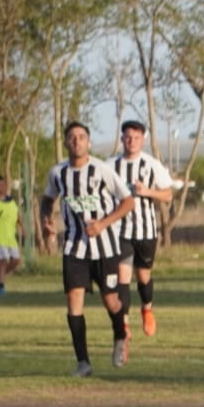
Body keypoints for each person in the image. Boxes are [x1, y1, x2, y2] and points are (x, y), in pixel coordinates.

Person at [40, 121, 135, 376]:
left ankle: (119, 336)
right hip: (74, 247)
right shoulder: (58, 173)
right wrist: (46, 222)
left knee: (111, 301)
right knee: (73, 301)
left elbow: (128, 202)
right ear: (66, 142)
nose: (77, 141)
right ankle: (83, 362)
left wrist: (103, 223)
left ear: (88, 142)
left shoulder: (102, 170)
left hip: (105, 248)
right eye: (72, 137)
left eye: (81, 137)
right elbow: (47, 199)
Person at [110, 120, 175, 338]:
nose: (132, 142)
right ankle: (124, 326)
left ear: (143, 140)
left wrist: (147, 192)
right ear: (122, 139)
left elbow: (168, 195)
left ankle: (147, 308)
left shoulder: (151, 165)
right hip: (120, 231)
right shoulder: (110, 166)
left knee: (144, 276)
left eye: (137, 138)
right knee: (122, 277)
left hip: (146, 231)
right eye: (128, 137)